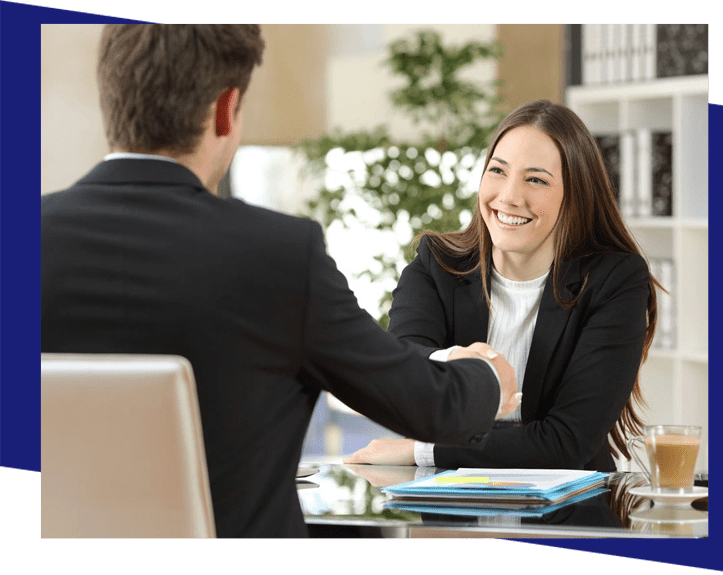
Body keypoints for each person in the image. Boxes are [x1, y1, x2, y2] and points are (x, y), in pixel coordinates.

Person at [40, 24, 521, 538]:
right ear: (227, 109)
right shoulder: (278, 256)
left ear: (111, 101)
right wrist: (489, 378)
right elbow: (424, 404)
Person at [345, 99, 659, 473]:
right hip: (451, 509)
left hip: (570, 513)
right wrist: (448, 360)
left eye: (536, 179)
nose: (509, 196)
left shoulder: (614, 279)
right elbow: (399, 367)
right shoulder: (438, 262)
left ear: (575, 195)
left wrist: (421, 451)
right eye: (498, 171)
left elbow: (567, 442)